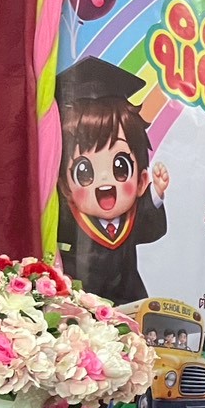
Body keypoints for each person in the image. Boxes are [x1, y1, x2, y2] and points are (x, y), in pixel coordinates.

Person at [56, 57, 169, 305]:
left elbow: (151, 230)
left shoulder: (132, 220)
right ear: (65, 186)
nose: (105, 181)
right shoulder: (67, 220)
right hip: (80, 300)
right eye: (84, 172)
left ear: (141, 181)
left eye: (120, 168)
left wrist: (156, 195)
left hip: (128, 299)